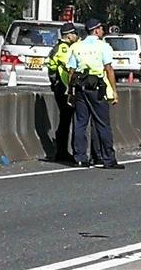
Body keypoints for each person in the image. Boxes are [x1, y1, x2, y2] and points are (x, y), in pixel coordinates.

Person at [67, 18, 124, 169]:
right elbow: (109, 68)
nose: (103, 31)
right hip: (96, 87)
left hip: (80, 87)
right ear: (96, 30)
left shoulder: (76, 46)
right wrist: (114, 91)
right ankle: (108, 159)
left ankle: (79, 158)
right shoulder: (103, 46)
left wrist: (70, 91)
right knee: (102, 124)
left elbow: (71, 70)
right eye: (101, 29)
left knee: (80, 123)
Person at [45, 22, 77, 163]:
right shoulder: (63, 49)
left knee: (67, 119)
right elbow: (69, 65)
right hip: (64, 88)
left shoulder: (65, 47)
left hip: (63, 87)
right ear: (69, 35)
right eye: (74, 33)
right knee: (65, 119)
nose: (76, 36)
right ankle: (62, 152)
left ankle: (63, 150)